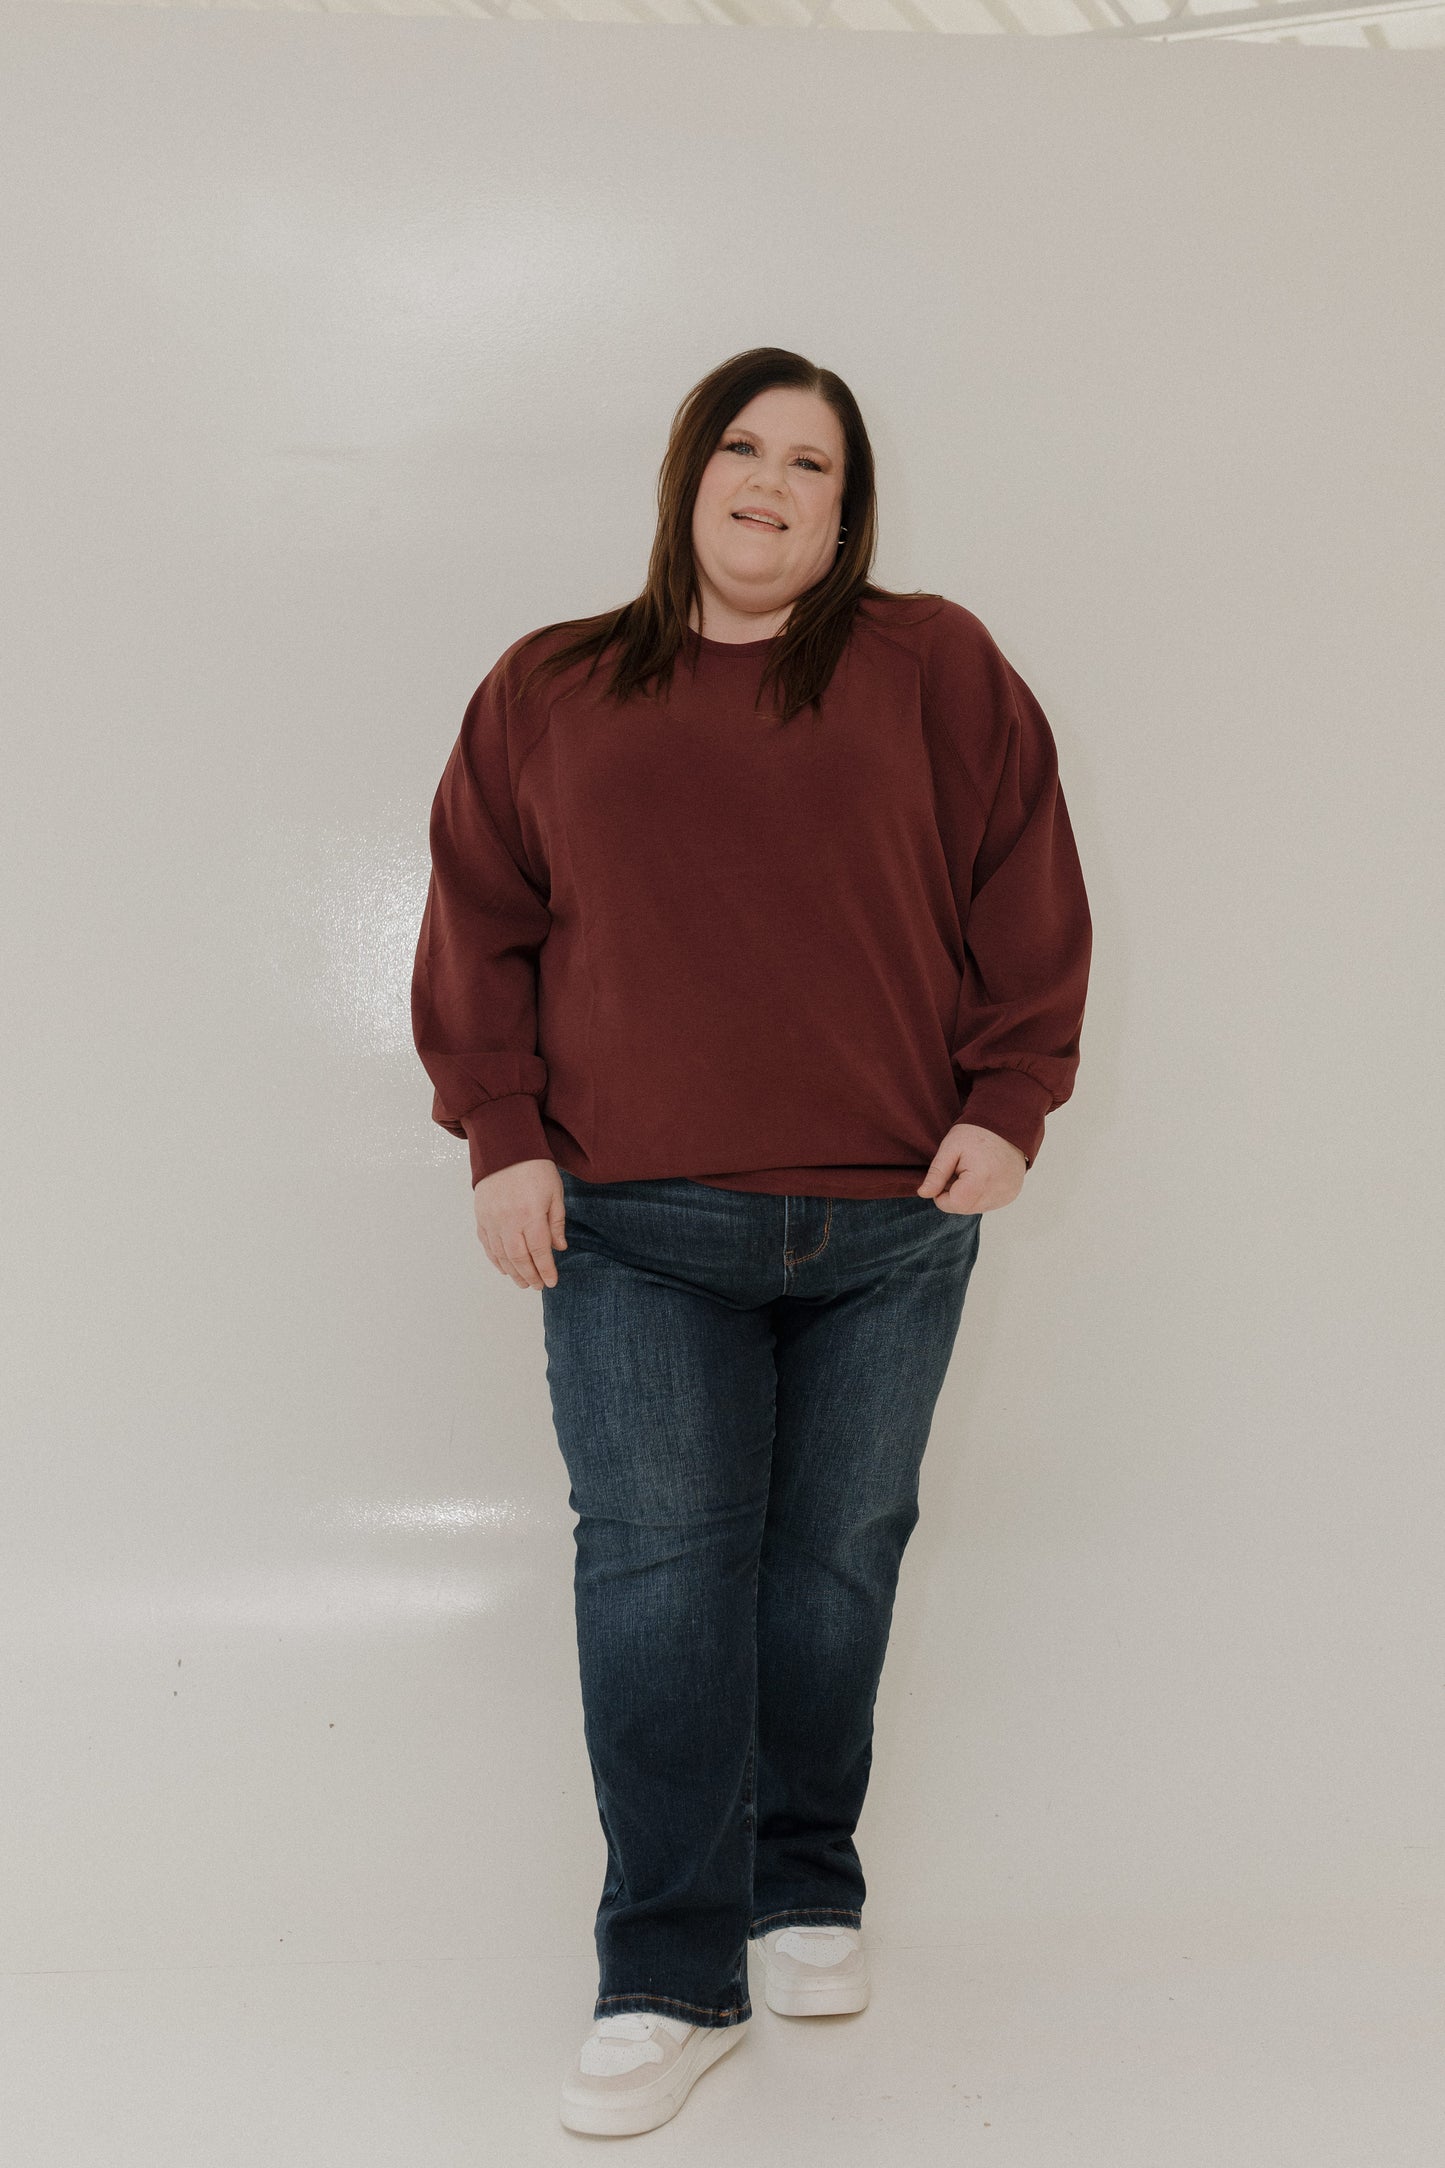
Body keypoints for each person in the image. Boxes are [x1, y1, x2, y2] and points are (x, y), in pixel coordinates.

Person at [411, 346, 1092, 2137]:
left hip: (889, 1223)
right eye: (742, 447)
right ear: (685, 476)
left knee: (835, 1564)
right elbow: (481, 922)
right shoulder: (548, 686)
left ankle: (802, 1881)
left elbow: (1025, 878)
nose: (772, 482)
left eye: (814, 462)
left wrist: (1007, 1101)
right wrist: (501, 1139)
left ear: (848, 510)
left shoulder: (929, 664)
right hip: (631, 1225)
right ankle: (664, 1965)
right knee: (657, 1575)